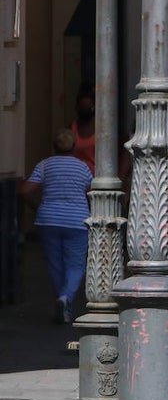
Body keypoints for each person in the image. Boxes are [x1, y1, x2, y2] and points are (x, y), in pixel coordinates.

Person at [18, 129, 93, 325]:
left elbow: (25, 190)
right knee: (76, 265)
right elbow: (92, 191)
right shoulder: (82, 167)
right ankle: (65, 297)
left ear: (54, 146)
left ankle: (62, 303)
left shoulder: (44, 165)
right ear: (74, 147)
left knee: (55, 265)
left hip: (48, 220)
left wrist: (36, 206)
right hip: (77, 221)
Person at [70, 90, 97, 174]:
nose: (86, 111)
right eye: (82, 108)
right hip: (76, 175)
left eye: (89, 108)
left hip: (96, 177)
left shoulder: (102, 129)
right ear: (77, 108)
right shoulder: (71, 129)